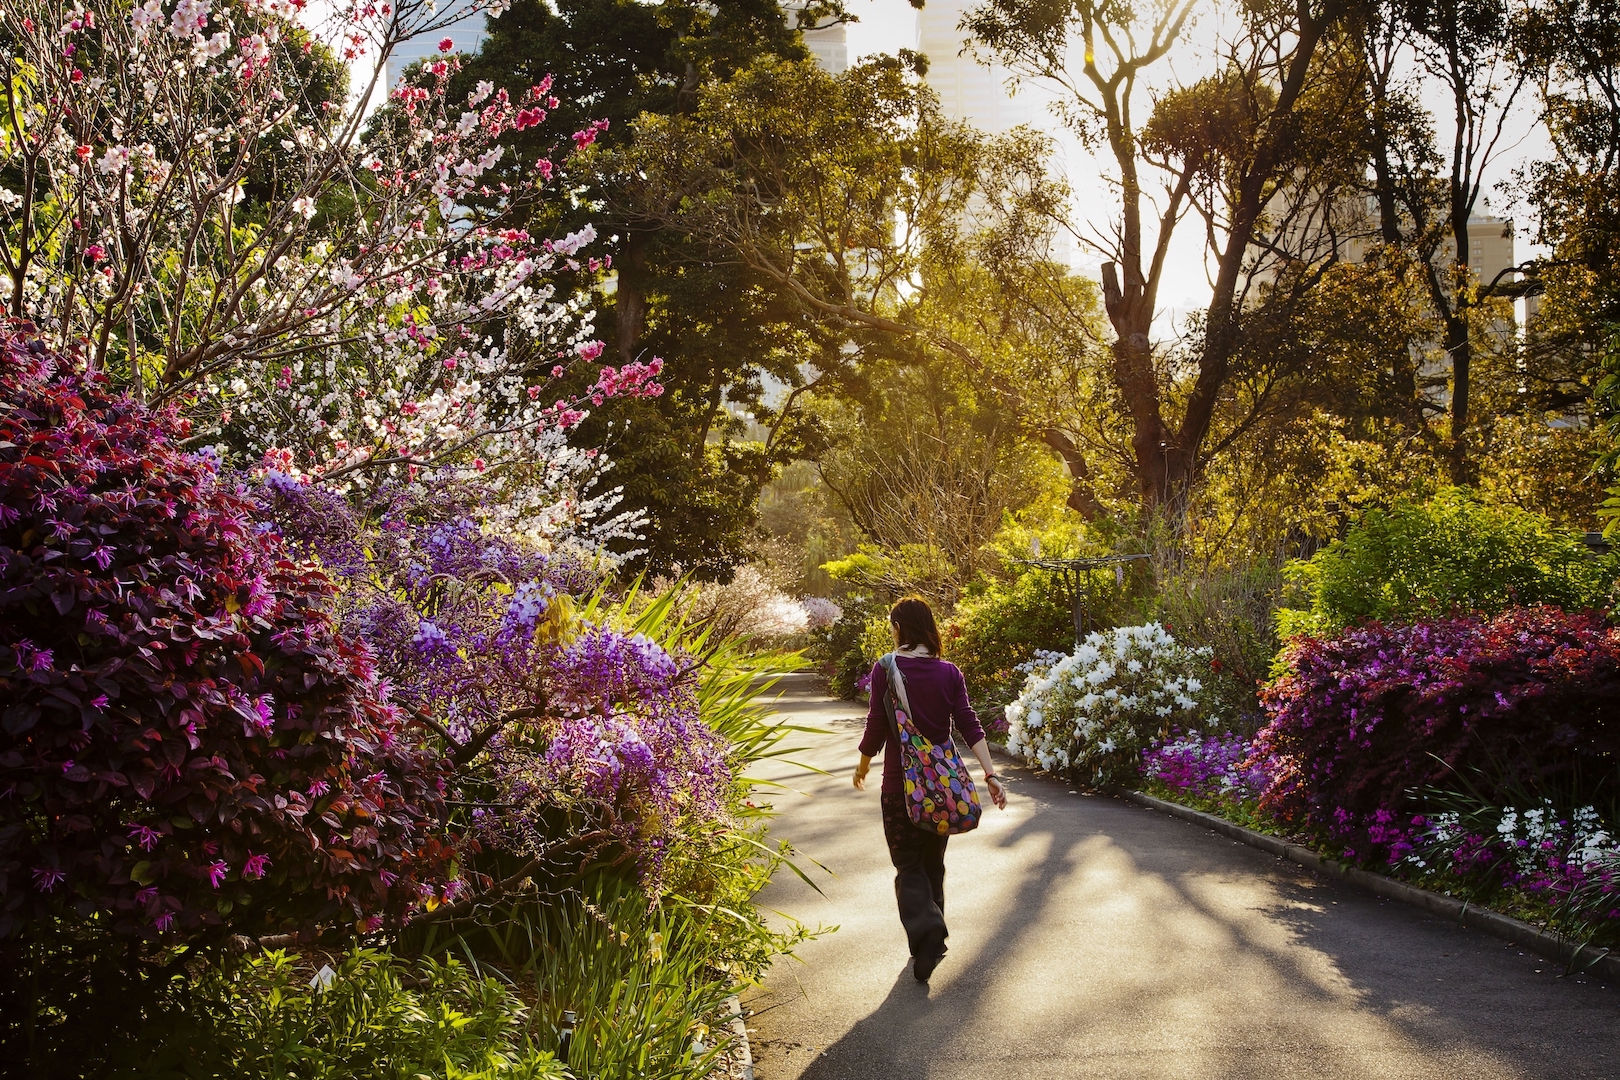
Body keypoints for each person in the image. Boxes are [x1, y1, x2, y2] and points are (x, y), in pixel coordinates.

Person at [853, 596, 1007, 982]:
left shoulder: (885, 669)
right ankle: (932, 945)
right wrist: (990, 774)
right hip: (941, 791)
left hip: (898, 787)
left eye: (893, 625)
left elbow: (876, 723)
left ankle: (927, 933)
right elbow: (969, 723)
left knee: (908, 864)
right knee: (932, 864)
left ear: (900, 628)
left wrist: (863, 762)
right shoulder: (949, 672)